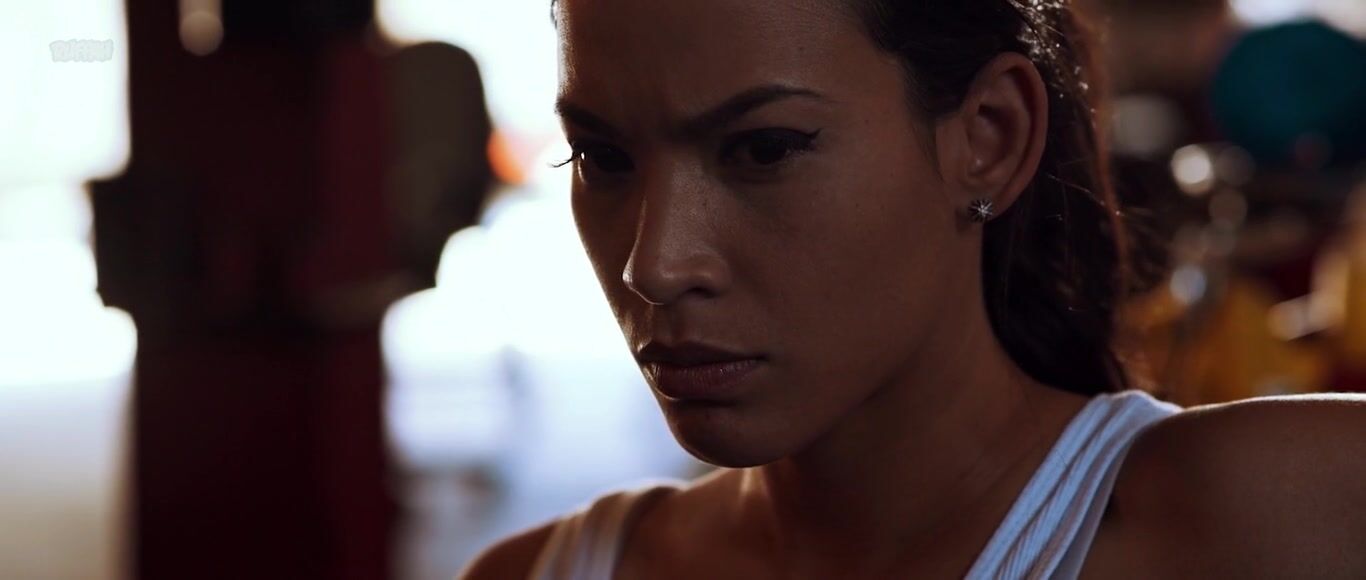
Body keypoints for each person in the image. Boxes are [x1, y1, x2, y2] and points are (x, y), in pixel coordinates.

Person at [462, 0, 1366, 577]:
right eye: (602, 157)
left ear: (990, 137)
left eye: (765, 149)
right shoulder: (547, 570)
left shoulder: (1289, 510)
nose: (654, 265)